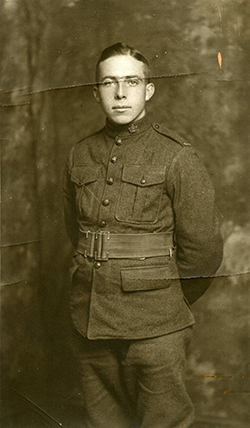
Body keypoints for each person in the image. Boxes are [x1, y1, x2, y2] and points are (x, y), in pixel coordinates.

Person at [63, 42, 223, 428]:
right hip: (91, 321)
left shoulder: (177, 157)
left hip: (156, 328)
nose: (120, 93)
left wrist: (165, 298)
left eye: (131, 82)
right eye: (109, 83)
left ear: (148, 90)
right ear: (96, 91)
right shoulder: (79, 155)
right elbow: (77, 233)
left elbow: (202, 251)